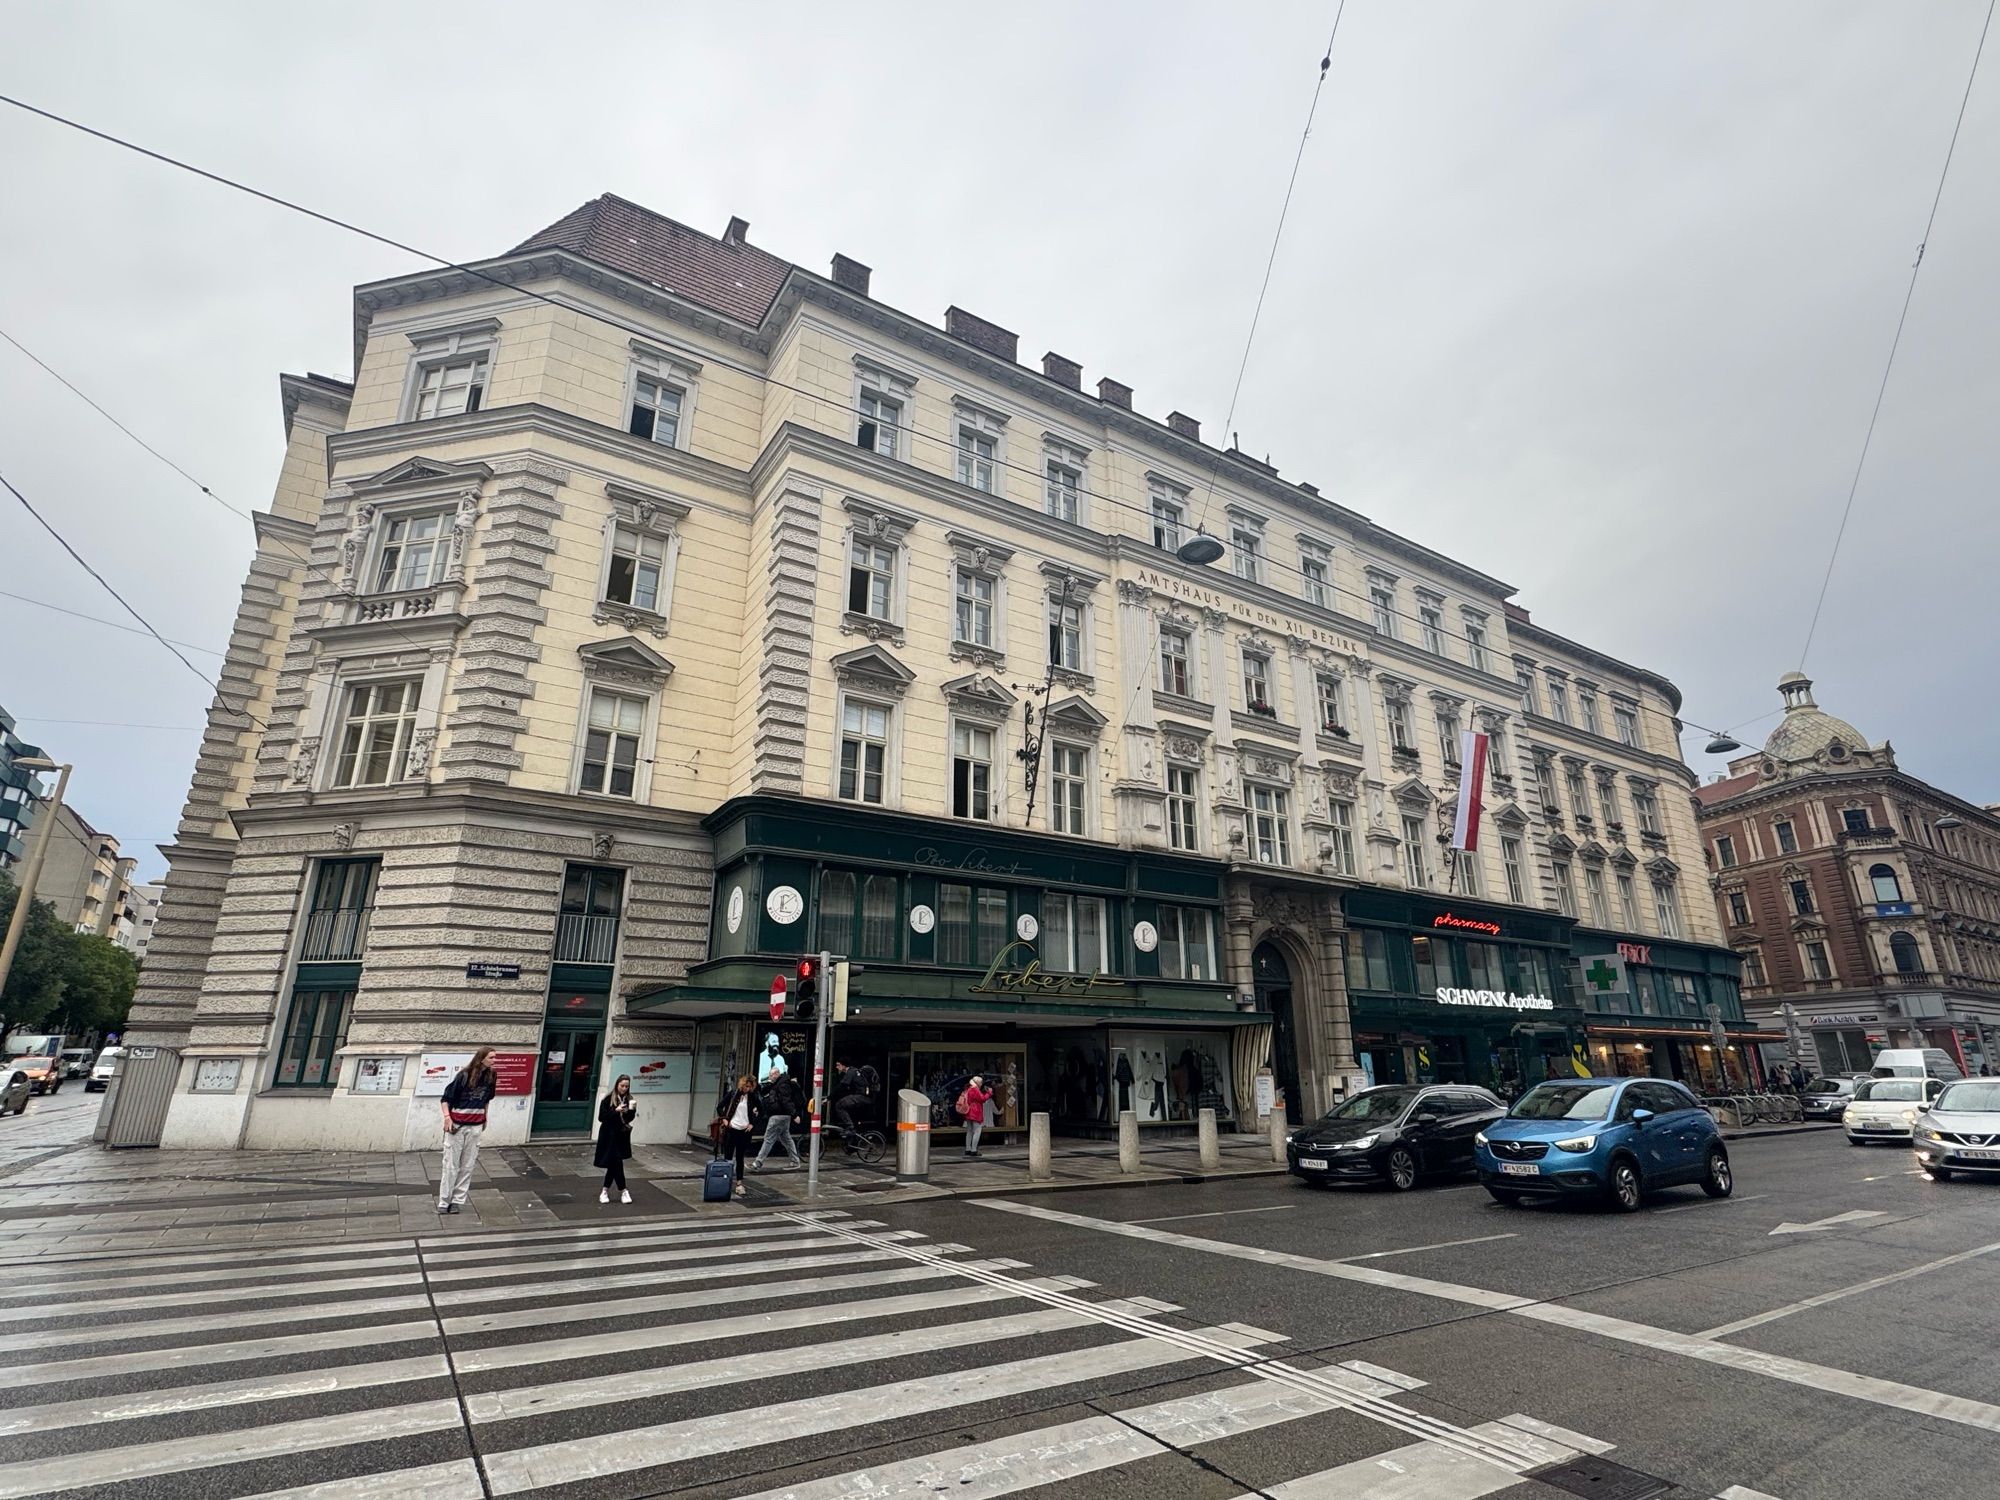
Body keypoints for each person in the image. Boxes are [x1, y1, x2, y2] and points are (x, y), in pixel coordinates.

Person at [437, 1048, 498, 1215]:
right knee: (450, 1164)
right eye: (491, 1057)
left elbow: (487, 1099)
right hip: (457, 1125)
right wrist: (447, 1118)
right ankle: (444, 1201)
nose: (494, 1060)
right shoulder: (464, 1075)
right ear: (481, 1058)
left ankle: (457, 1201)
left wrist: (485, 1117)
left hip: (476, 1125)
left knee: (468, 1165)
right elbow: (446, 1099)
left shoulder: (491, 1076)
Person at [718, 1073, 763, 1197]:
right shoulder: (733, 1094)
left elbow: (762, 1110)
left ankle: (739, 1183)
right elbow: (720, 1106)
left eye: (750, 1087)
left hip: (744, 1131)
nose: (748, 1089)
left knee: (740, 1157)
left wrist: (752, 1124)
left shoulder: (752, 1097)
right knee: (728, 1156)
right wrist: (725, 1120)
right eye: (746, 1086)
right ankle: (727, 1181)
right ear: (742, 1085)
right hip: (732, 1129)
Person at [596, 1074, 636, 1204]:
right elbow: (601, 1117)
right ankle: (623, 1190)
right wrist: (616, 1110)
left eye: (626, 1086)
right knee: (616, 1162)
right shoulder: (608, 1099)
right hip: (608, 1135)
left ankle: (605, 1191)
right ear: (617, 1085)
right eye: (622, 1086)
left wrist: (629, 1111)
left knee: (614, 1163)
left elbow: (630, 1118)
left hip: (621, 1135)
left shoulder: (629, 1099)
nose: (624, 1088)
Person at [754, 1072, 803, 1170]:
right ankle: (795, 1161)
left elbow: (785, 1100)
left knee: (768, 1138)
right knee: (786, 1139)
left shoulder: (782, 1085)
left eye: (771, 1075)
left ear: (776, 1074)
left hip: (778, 1116)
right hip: (782, 1115)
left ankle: (758, 1162)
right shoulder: (777, 1084)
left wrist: (794, 1115)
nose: (770, 1077)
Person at [959, 1073, 995, 1157]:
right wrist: (989, 1093)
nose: (982, 1084)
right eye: (981, 1083)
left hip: (968, 1112)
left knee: (969, 1131)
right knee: (977, 1131)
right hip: (975, 1112)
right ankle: (974, 1150)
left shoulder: (968, 1088)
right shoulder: (975, 1089)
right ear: (977, 1083)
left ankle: (968, 1149)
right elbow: (982, 1099)